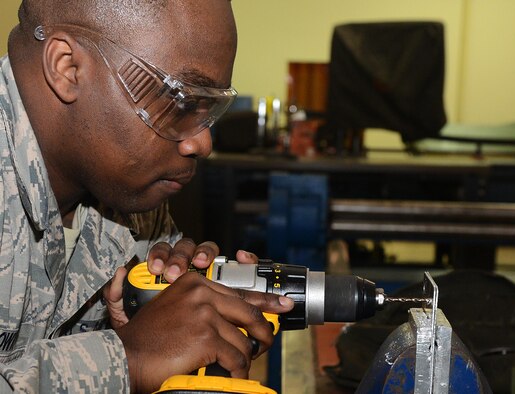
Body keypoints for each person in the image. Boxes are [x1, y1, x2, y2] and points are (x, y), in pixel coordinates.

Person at [0, 0, 294, 392]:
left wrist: (153, 327)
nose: (202, 143)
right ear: (67, 67)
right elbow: (128, 359)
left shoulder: (127, 199)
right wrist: (126, 359)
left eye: (209, 111)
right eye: (180, 102)